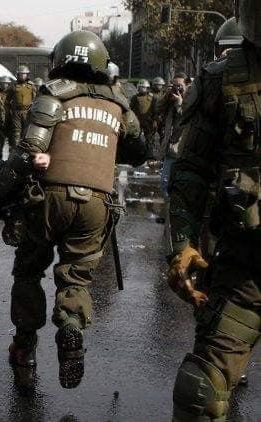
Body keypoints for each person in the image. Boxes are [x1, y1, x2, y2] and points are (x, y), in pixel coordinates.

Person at [0, 30, 146, 389]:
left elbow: (29, 152)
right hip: (97, 204)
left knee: (29, 271)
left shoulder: (54, 94)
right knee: (76, 276)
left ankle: (25, 348)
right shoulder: (120, 103)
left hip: (48, 199)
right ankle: (72, 325)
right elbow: (139, 152)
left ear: (60, 59)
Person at [166, 1, 261, 419]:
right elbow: (191, 169)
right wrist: (182, 244)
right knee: (199, 389)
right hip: (246, 270)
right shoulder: (222, 78)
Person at [159, 72, 189, 196]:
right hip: (170, 149)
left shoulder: (191, 100)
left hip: (182, 150)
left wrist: (180, 104)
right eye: (174, 85)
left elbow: (188, 119)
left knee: (180, 185)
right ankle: (169, 206)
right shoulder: (170, 100)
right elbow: (158, 109)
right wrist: (166, 96)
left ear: (187, 86)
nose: (177, 88)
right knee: (165, 183)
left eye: (180, 85)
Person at [6, 65, 36, 146]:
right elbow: (7, 99)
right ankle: (16, 148)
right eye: (20, 74)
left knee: (27, 131)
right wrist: (10, 110)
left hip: (28, 112)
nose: (22, 76)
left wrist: (32, 108)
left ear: (27, 75)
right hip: (16, 112)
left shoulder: (31, 86)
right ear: (17, 75)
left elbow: (36, 98)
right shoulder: (13, 85)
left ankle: (26, 148)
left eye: (24, 74)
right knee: (16, 132)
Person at [130, 79, 156, 159]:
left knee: (149, 139)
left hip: (148, 121)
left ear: (147, 88)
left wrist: (155, 120)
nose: (141, 89)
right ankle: (136, 154)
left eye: (143, 87)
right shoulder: (135, 97)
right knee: (136, 138)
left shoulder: (152, 98)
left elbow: (155, 110)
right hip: (137, 121)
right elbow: (131, 109)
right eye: (140, 87)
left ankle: (149, 155)